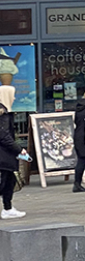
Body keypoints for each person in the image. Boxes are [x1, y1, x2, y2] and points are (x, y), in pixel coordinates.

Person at [0, 85, 27, 219]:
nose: (15, 98)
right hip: (4, 155)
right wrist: (19, 149)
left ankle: (8, 208)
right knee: (5, 183)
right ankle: (7, 208)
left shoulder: (5, 113)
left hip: (5, 155)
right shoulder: (3, 114)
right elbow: (4, 136)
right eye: (12, 95)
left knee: (8, 182)